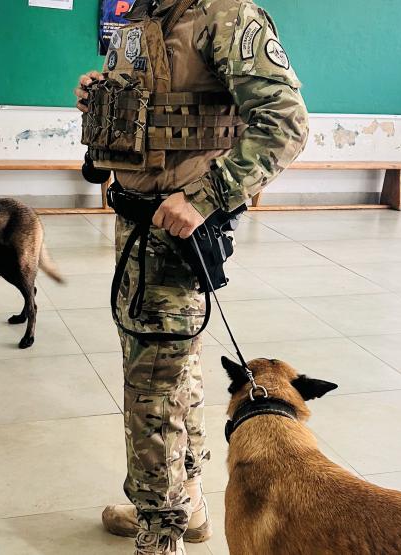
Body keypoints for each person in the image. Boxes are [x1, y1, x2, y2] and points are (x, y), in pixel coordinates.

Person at [74, 0, 308, 553]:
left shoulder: (225, 15)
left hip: (176, 233)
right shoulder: (146, 14)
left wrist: (205, 197)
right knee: (175, 371)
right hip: (136, 225)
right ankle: (189, 502)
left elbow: (286, 123)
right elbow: (157, 103)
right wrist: (103, 98)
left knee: (153, 388)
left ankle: (161, 533)